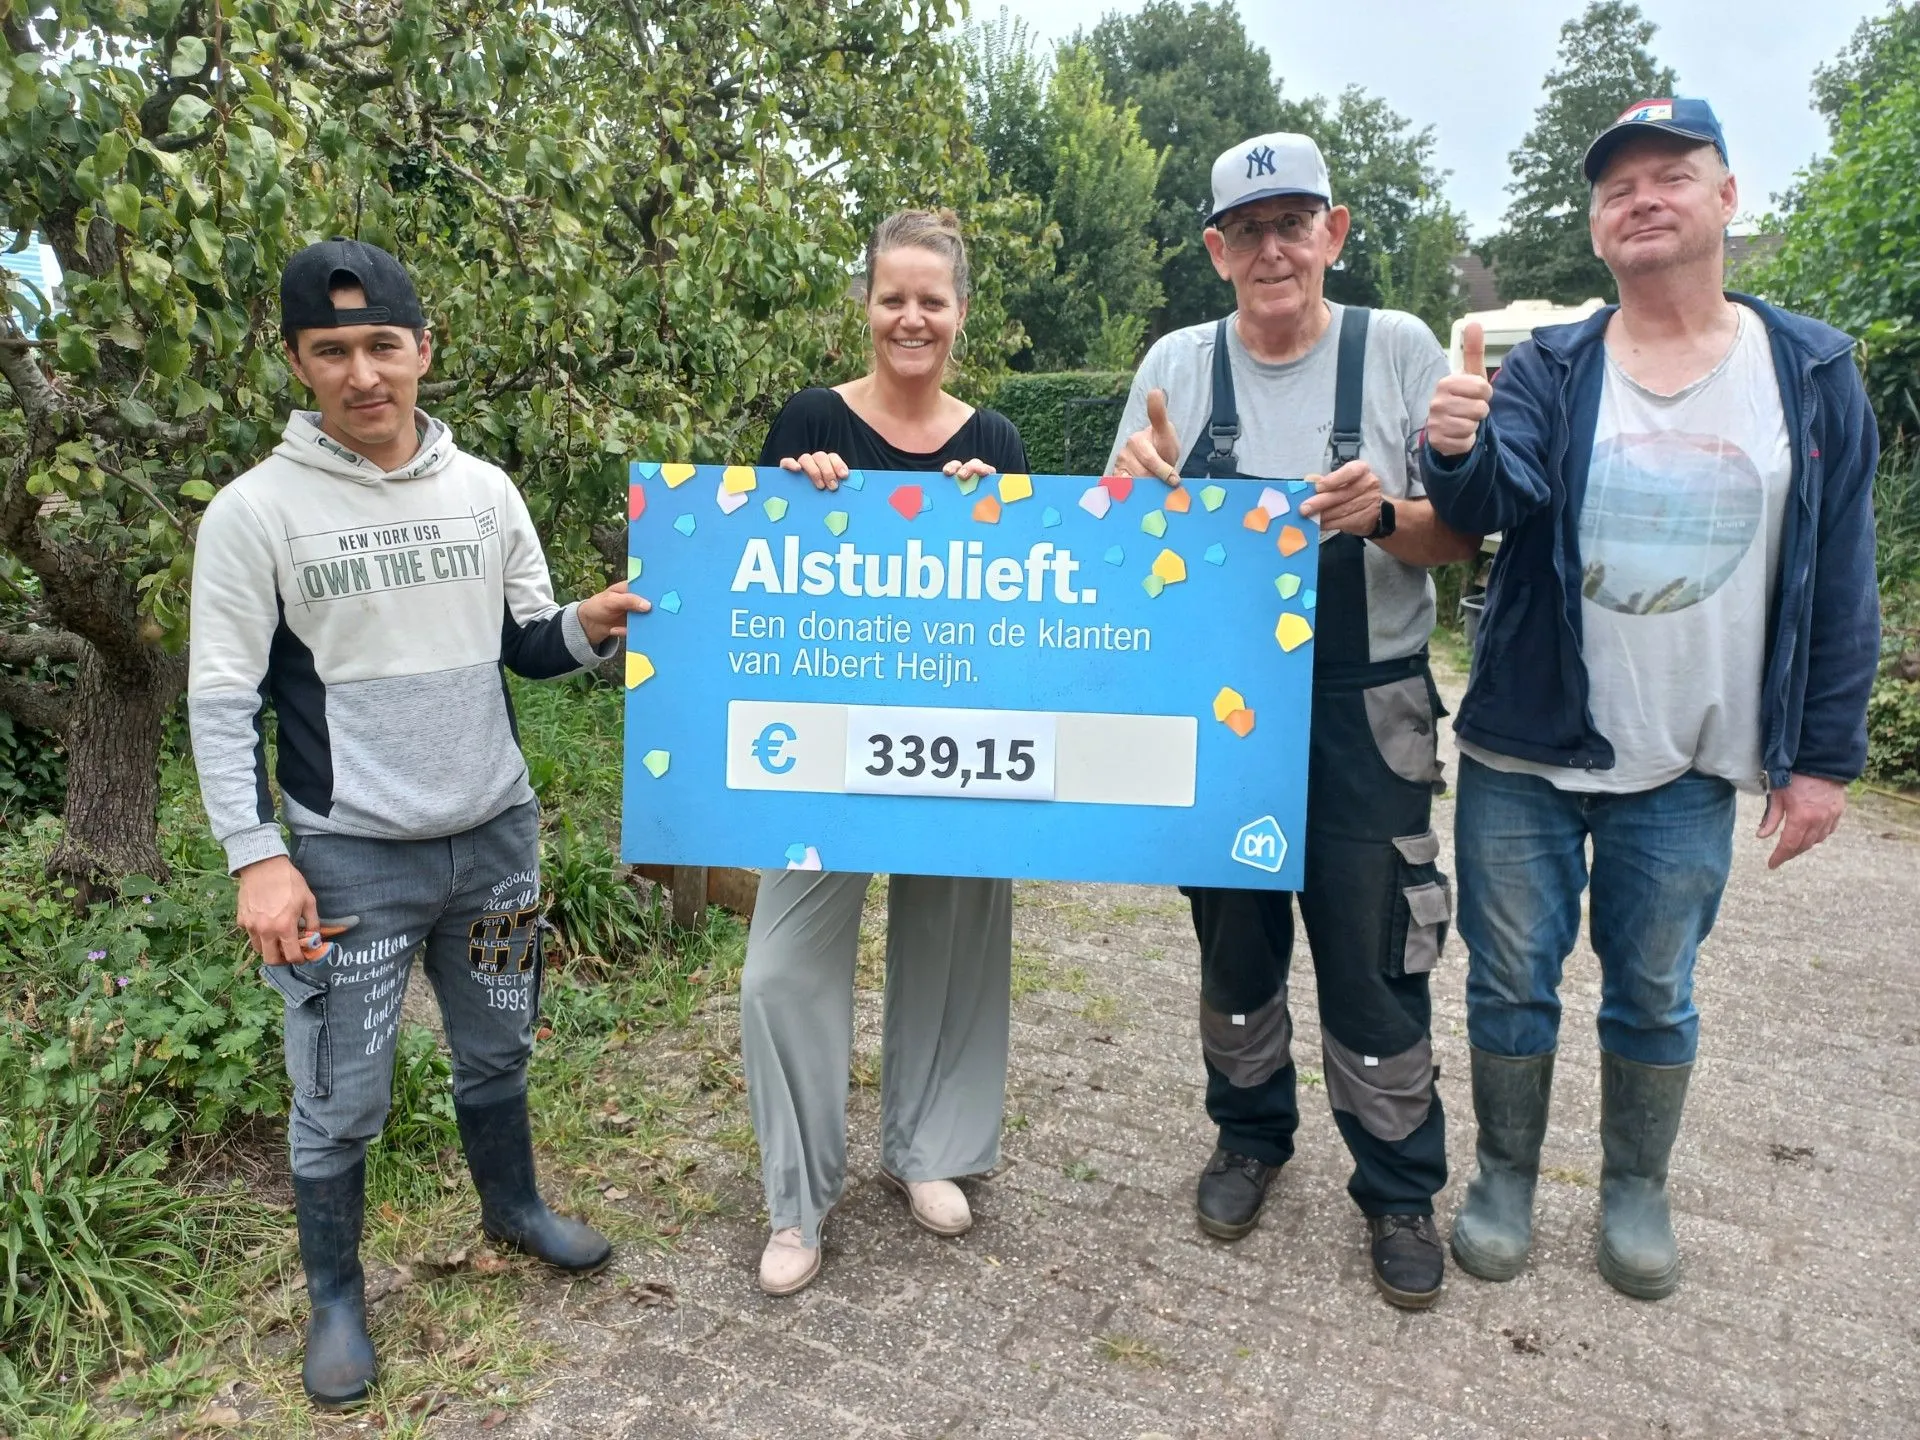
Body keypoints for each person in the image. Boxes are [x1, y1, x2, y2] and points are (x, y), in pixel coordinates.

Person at [1422, 99, 1879, 1299]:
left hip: (1688, 759)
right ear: (1596, 225)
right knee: (1508, 975)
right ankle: (1505, 1178)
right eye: (1617, 185)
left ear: (1727, 198)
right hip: (1526, 748)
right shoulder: (1552, 368)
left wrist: (1824, 757)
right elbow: (1488, 506)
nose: (1642, 198)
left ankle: (1636, 1186)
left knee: (1655, 988)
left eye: (1670, 174)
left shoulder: (1813, 372)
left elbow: (1841, 574)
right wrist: (1458, 452)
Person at [188, 239, 649, 1406]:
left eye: (382, 346)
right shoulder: (255, 515)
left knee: (500, 1039)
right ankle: (336, 1298)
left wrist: (590, 625)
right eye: (331, 351)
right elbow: (221, 697)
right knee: (341, 1087)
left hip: (498, 842)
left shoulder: (485, 491)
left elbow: (527, 646)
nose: (362, 374)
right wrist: (258, 860)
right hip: (349, 862)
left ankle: (515, 1209)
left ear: (423, 350)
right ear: (297, 361)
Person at [1108, 135, 1481, 1308]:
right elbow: (1125, 546)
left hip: (1367, 701)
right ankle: (1250, 1135)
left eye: (1296, 221)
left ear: (1336, 230)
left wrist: (1385, 517)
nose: (1274, 246)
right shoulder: (1177, 360)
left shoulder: (1400, 350)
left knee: (1379, 950)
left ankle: (1401, 1186)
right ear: (1218, 251)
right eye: (1249, 228)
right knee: (1234, 939)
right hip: (1220, 708)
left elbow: (1460, 540)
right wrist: (1138, 502)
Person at [740, 209, 1029, 1298]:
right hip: (821, 750)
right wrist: (798, 499)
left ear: (960, 314)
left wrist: (991, 519)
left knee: (955, 945)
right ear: (866, 305)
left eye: (933, 300)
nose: (912, 317)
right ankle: (796, 1199)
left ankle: (930, 1152)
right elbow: (758, 579)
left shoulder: (994, 439)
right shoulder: (809, 421)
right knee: (779, 973)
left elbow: (1023, 603)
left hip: (955, 743)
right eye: (892, 297)